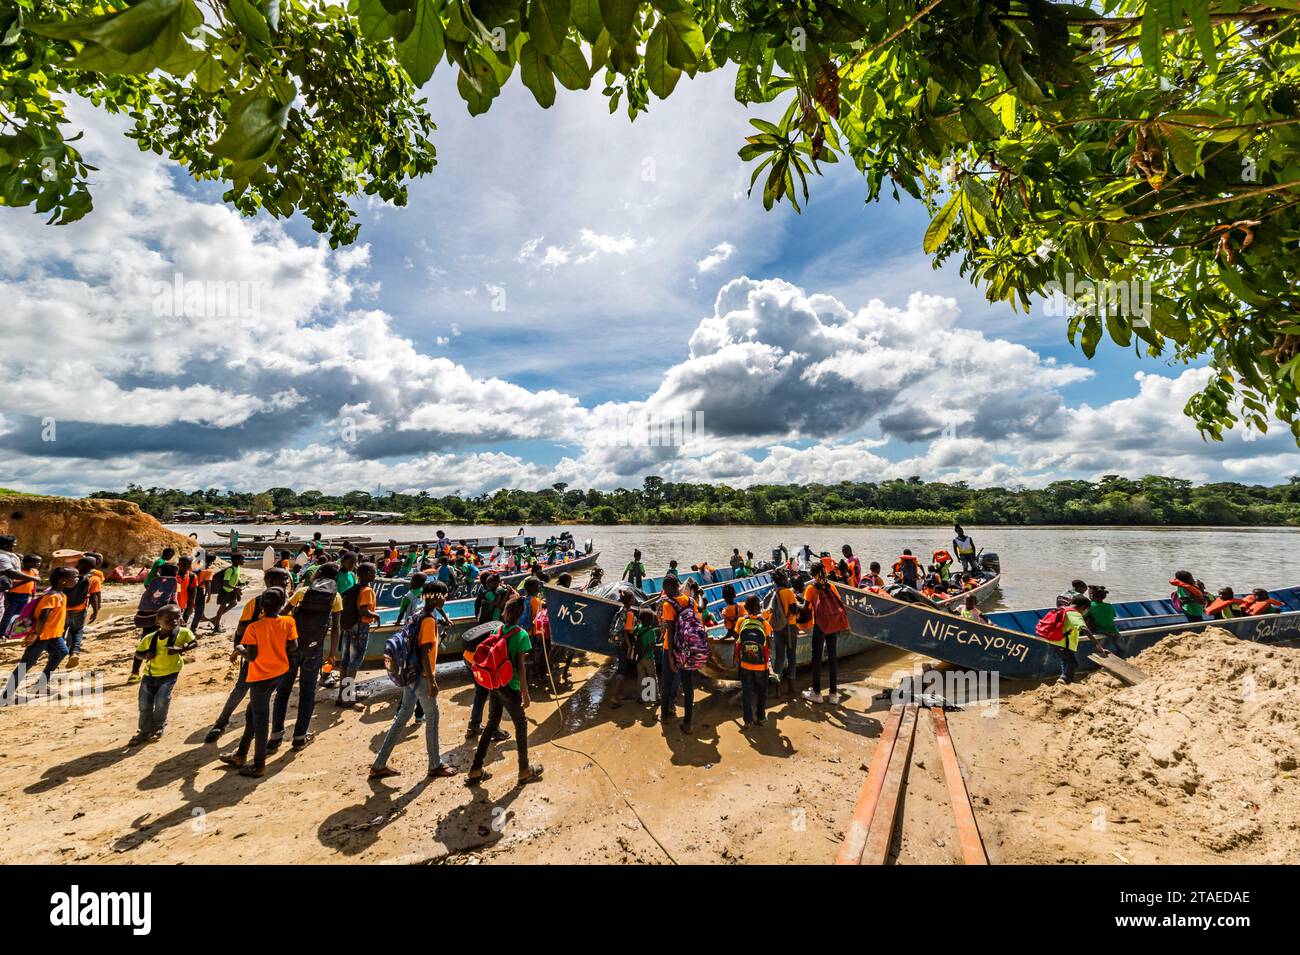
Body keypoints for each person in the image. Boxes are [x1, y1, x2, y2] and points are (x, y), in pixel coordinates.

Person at [370, 581, 456, 780]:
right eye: (442, 595)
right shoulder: (427, 620)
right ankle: (435, 764)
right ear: (433, 596)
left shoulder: (418, 613)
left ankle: (379, 764)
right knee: (433, 717)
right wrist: (432, 680)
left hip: (410, 674)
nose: (445, 598)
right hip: (422, 676)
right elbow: (425, 652)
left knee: (402, 716)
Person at [204, 567, 294, 743]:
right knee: (240, 689)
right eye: (283, 580)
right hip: (253, 656)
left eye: (287, 580)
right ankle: (221, 722)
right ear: (269, 583)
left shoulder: (288, 604)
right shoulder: (255, 604)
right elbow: (241, 629)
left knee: (260, 696)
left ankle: (248, 732)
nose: (286, 583)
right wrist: (237, 648)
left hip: (275, 659)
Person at [465, 597, 543, 787]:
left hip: (494, 684)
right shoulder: (521, 635)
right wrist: (525, 693)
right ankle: (524, 769)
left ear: (505, 613)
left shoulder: (497, 629)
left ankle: (476, 768)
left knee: (492, 722)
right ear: (521, 615)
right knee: (521, 724)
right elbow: (521, 668)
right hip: (511, 686)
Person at [220, 588, 298, 778]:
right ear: (282, 604)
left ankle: (259, 764)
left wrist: (239, 648)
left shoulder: (254, 627)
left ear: (261, 606)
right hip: (279, 672)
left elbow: (252, 656)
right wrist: (277, 648)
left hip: (260, 677)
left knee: (260, 719)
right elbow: (293, 647)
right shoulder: (289, 621)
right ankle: (240, 754)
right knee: (251, 714)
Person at [272, 562, 343, 751]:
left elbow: (282, 615)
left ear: (318, 574)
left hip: (292, 647)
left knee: (283, 691)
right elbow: (336, 627)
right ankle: (299, 737)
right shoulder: (335, 597)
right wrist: (332, 653)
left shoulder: (302, 592)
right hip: (314, 649)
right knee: (308, 692)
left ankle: (275, 736)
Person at [2, 566, 75, 703]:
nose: (76, 579)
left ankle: (42, 684)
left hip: (53, 635)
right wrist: (36, 634)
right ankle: (7, 695)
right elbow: (42, 617)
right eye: (74, 577)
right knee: (26, 664)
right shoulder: (52, 596)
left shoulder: (61, 595)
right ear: (63, 581)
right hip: (41, 636)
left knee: (61, 652)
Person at [130, 603, 197, 745]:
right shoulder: (149, 638)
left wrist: (180, 650)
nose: (174, 621)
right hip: (149, 675)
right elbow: (138, 654)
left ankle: (158, 727)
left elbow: (193, 643)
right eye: (168, 619)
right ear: (158, 621)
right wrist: (146, 656)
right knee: (144, 704)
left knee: (162, 701)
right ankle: (143, 731)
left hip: (170, 673)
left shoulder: (183, 632)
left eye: (177, 618)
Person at [802, 562, 849, 704]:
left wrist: (797, 605)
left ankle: (816, 693)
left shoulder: (810, 588)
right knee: (832, 657)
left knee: (816, 659)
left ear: (812, 575)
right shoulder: (832, 587)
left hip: (820, 626)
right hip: (833, 626)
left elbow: (805, 609)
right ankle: (833, 694)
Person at [336, 562, 379, 709]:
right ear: (367, 574)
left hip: (349, 627)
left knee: (345, 662)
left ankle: (342, 695)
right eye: (374, 572)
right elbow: (363, 611)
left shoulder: (354, 588)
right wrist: (376, 615)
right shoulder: (367, 590)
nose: (375, 574)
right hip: (360, 628)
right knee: (354, 663)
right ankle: (347, 697)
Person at [658, 575, 695, 730]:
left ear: (668, 589)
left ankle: (665, 715)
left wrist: (671, 657)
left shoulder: (668, 604)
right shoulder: (690, 601)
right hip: (688, 647)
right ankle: (687, 722)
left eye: (665, 589)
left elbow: (671, 629)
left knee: (667, 682)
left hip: (671, 648)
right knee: (688, 685)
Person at [734, 595, 771, 726]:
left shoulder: (740, 622)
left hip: (745, 664)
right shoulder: (764, 623)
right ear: (760, 607)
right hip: (761, 666)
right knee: (762, 692)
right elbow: (768, 644)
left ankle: (747, 720)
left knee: (747, 692)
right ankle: (761, 717)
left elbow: (738, 641)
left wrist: (736, 658)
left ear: (746, 608)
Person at [766, 568, 801, 698]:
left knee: (779, 657)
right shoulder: (788, 593)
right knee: (791, 656)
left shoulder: (773, 593)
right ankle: (791, 686)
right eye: (785, 577)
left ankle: (778, 688)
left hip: (777, 628)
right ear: (783, 579)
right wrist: (798, 605)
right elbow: (794, 610)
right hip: (790, 627)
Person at [63, 556, 102, 668]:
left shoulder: (68, 575)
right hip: (79, 609)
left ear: (78, 564)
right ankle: (74, 653)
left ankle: (59, 652)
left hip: (62, 609)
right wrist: (95, 610)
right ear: (93, 567)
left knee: (60, 631)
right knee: (77, 631)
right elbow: (94, 596)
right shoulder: (94, 578)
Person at [608, 590, 638, 708]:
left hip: (617, 641)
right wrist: (630, 645)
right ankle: (615, 696)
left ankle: (618, 694)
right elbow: (628, 631)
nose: (634, 599)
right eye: (633, 598)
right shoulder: (630, 613)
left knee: (622, 664)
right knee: (622, 668)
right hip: (624, 643)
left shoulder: (621, 610)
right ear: (630, 600)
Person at [2, 553, 41, 634]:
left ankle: (15, 633)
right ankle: (2, 632)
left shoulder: (35, 571)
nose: (38, 564)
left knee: (20, 615)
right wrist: (28, 579)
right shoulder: (18, 572)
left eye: (39, 562)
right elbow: (11, 585)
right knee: (8, 614)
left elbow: (34, 585)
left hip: (26, 596)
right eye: (36, 562)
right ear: (27, 563)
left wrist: (33, 595)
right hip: (14, 596)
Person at [1057, 596, 1092, 684]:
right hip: (1065, 643)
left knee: (1066, 661)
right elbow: (1084, 628)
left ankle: (1066, 679)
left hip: (1054, 641)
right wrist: (1097, 644)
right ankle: (1065, 678)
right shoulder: (1075, 614)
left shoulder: (1061, 610)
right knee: (1073, 663)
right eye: (1086, 610)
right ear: (1084, 608)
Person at [209, 552, 246, 632]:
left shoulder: (238, 568)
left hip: (231, 590)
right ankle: (216, 626)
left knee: (234, 603)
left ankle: (215, 619)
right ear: (236, 561)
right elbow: (225, 583)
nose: (244, 561)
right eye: (242, 559)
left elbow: (236, 578)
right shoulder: (230, 570)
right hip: (225, 591)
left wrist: (240, 583)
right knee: (222, 607)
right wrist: (235, 588)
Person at [632, 609, 659, 705]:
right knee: (652, 677)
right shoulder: (651, 631)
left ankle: (642, 697)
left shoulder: (638, 627)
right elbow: (651, 645)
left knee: (641, 677)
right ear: (651, 620)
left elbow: (633, 632)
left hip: (639, 657)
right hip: (648, 657)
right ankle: (655, 698)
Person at [1085, 585, 1119, 653]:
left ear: (1091, 596)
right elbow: (1112, 617)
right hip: (1114, 631)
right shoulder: (1109, 606)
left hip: (1099, 630)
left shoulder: (1090, 606)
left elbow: (1083, 615)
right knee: (1121, 649)